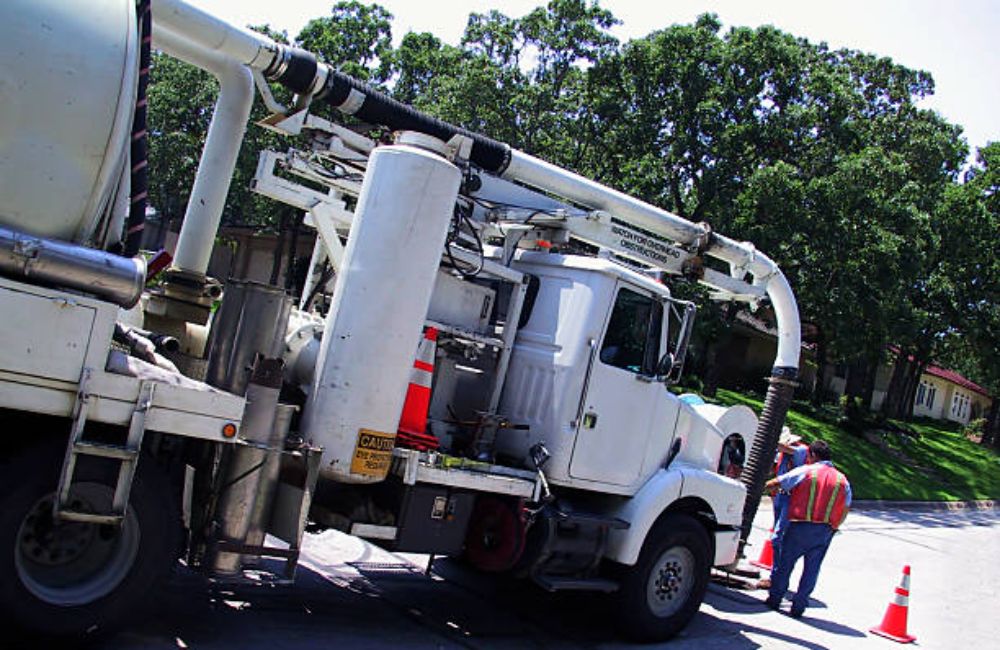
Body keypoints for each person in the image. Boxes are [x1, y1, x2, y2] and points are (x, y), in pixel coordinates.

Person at [764, 439, 851, 618]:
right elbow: (845, 508)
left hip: (799, 527)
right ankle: (798, 607)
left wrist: (762, 487)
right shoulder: (842, 480)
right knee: (811, 570)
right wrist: (834, 527)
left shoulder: (807, 471)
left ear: (812, 455)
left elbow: (776, 483)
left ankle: (775, 599)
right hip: (825, 531)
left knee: (785, 564)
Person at [758, 427, 808, 589]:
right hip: (780, 496)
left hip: (791, 498)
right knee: (777, 536)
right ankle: (776, 575)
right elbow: (775, 469)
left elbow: (785, 449)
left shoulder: (801, 450)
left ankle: (777, 577)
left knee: (779, 537)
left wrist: (773, 441)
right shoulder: (782, 454)